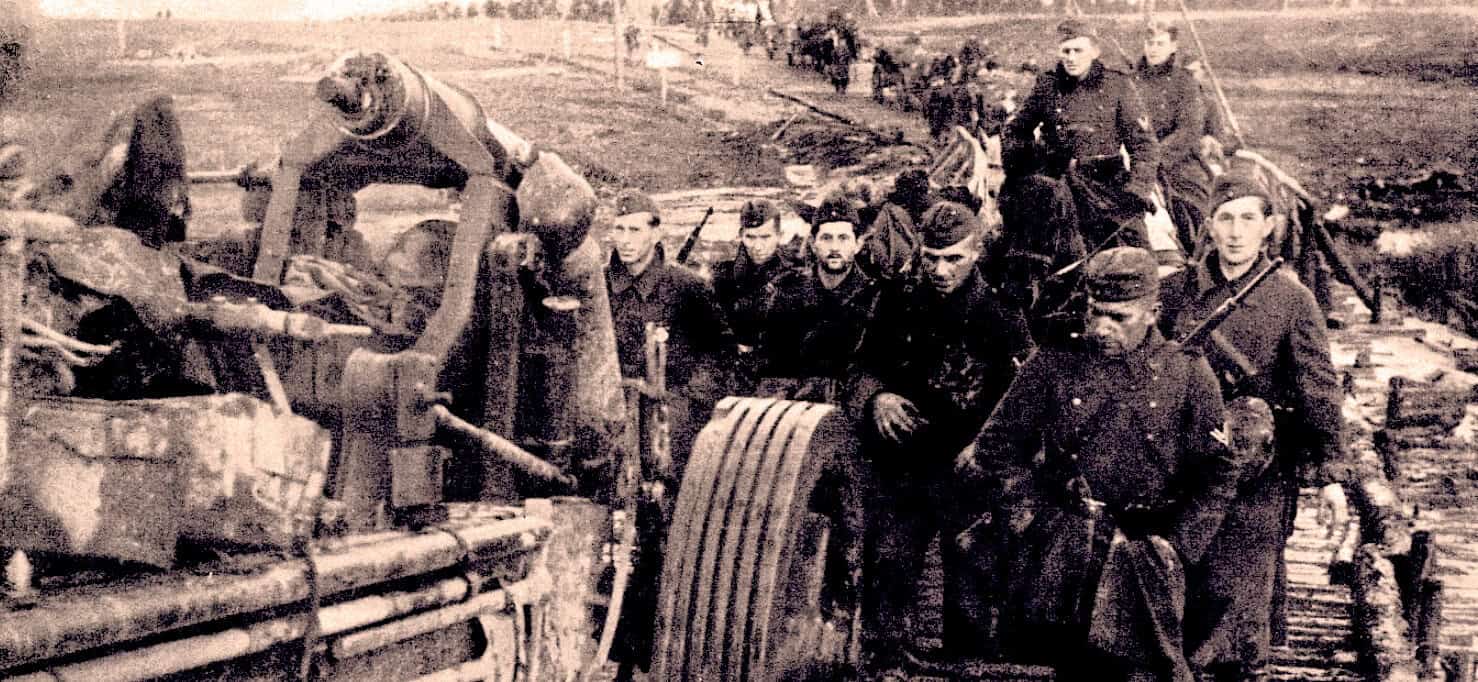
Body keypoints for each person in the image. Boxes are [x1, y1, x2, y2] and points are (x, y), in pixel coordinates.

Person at [961, 246, 1239, 682]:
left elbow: (1219, 473)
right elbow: (996, 448)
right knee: (1071, 666)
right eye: (1095, 312)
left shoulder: (1187, 373)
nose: (1102, 328)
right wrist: (1029, 515)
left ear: (1152, 312)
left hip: (1147, 554)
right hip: (1067, 550)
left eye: (1119, 317)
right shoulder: (1053, 363)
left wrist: (1181, 546)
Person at [1158, 173, 1345, 682]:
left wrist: (1330, 476)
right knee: (1174, 601)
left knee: (1238, 610)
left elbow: (1318, 390)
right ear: (1209, 228)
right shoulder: (1174, 292)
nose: (1236, 232)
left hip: (1258, 477)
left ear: (1268, 227)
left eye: (1248, 218)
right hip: (1184, 466)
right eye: (1225, 218)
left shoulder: (1292, 300)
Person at [847, 201, 1034, 673]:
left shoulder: (1001, 313)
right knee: (889, 561)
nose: (940, 269)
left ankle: (964, 662)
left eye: (954, 258)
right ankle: (885, 657)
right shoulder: (895, 299)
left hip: (968, 466)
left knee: (970, 576)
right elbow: (861, 364)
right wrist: (877, 398)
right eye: (931, 257)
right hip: (904, 460)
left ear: (976, 251)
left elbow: (1028, 397)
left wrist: (988, 449)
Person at [1002, 19, 1160, 250]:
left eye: (1078, 50)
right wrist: (1028, 170)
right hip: (1057, 182)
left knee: (1136, 251)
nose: (1071, 57)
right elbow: (1015, 130)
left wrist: (1137, 190)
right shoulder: (1047, 85)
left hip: (1106, 184)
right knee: (1020, 247)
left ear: (1094, 52)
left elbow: (1144, 145)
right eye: (1066, 50)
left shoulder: (1117, 85)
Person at [604, 189, 732, 476]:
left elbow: (721, 353)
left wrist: (688, 401)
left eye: (635, 230)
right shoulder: (599, 286)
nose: (625, 240)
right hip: (612, 413)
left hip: (670, 418)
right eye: (619, 229)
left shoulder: (687, 287)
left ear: (655, 234)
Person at [756, 192, 880, 402]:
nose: (834, 247)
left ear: (858, 244)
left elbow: (879, 373)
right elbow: (770, 366)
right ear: (813, 243)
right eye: (826, 238)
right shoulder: (786, 294)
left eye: (843, 238)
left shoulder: (878, 298)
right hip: (794, 410)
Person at [1136, 20, 1210, 258]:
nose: (1154, 48)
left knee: (1195, 208)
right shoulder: (1130, 81)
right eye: (1150, 43)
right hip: (1135, 161)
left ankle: (1200, 259)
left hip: (1176, 163)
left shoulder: (1185, 82)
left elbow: (1189, 130)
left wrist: (1155, 158)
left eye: (1160, 43)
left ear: (1172, 47)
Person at [711, 198, 793, 388]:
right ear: (741, 235)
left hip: (778, 373)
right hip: (730, 369)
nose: (757, 246)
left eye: (765, 237)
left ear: (779, 236)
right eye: (751, 237)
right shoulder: (723, 276)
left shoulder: (795, 276)